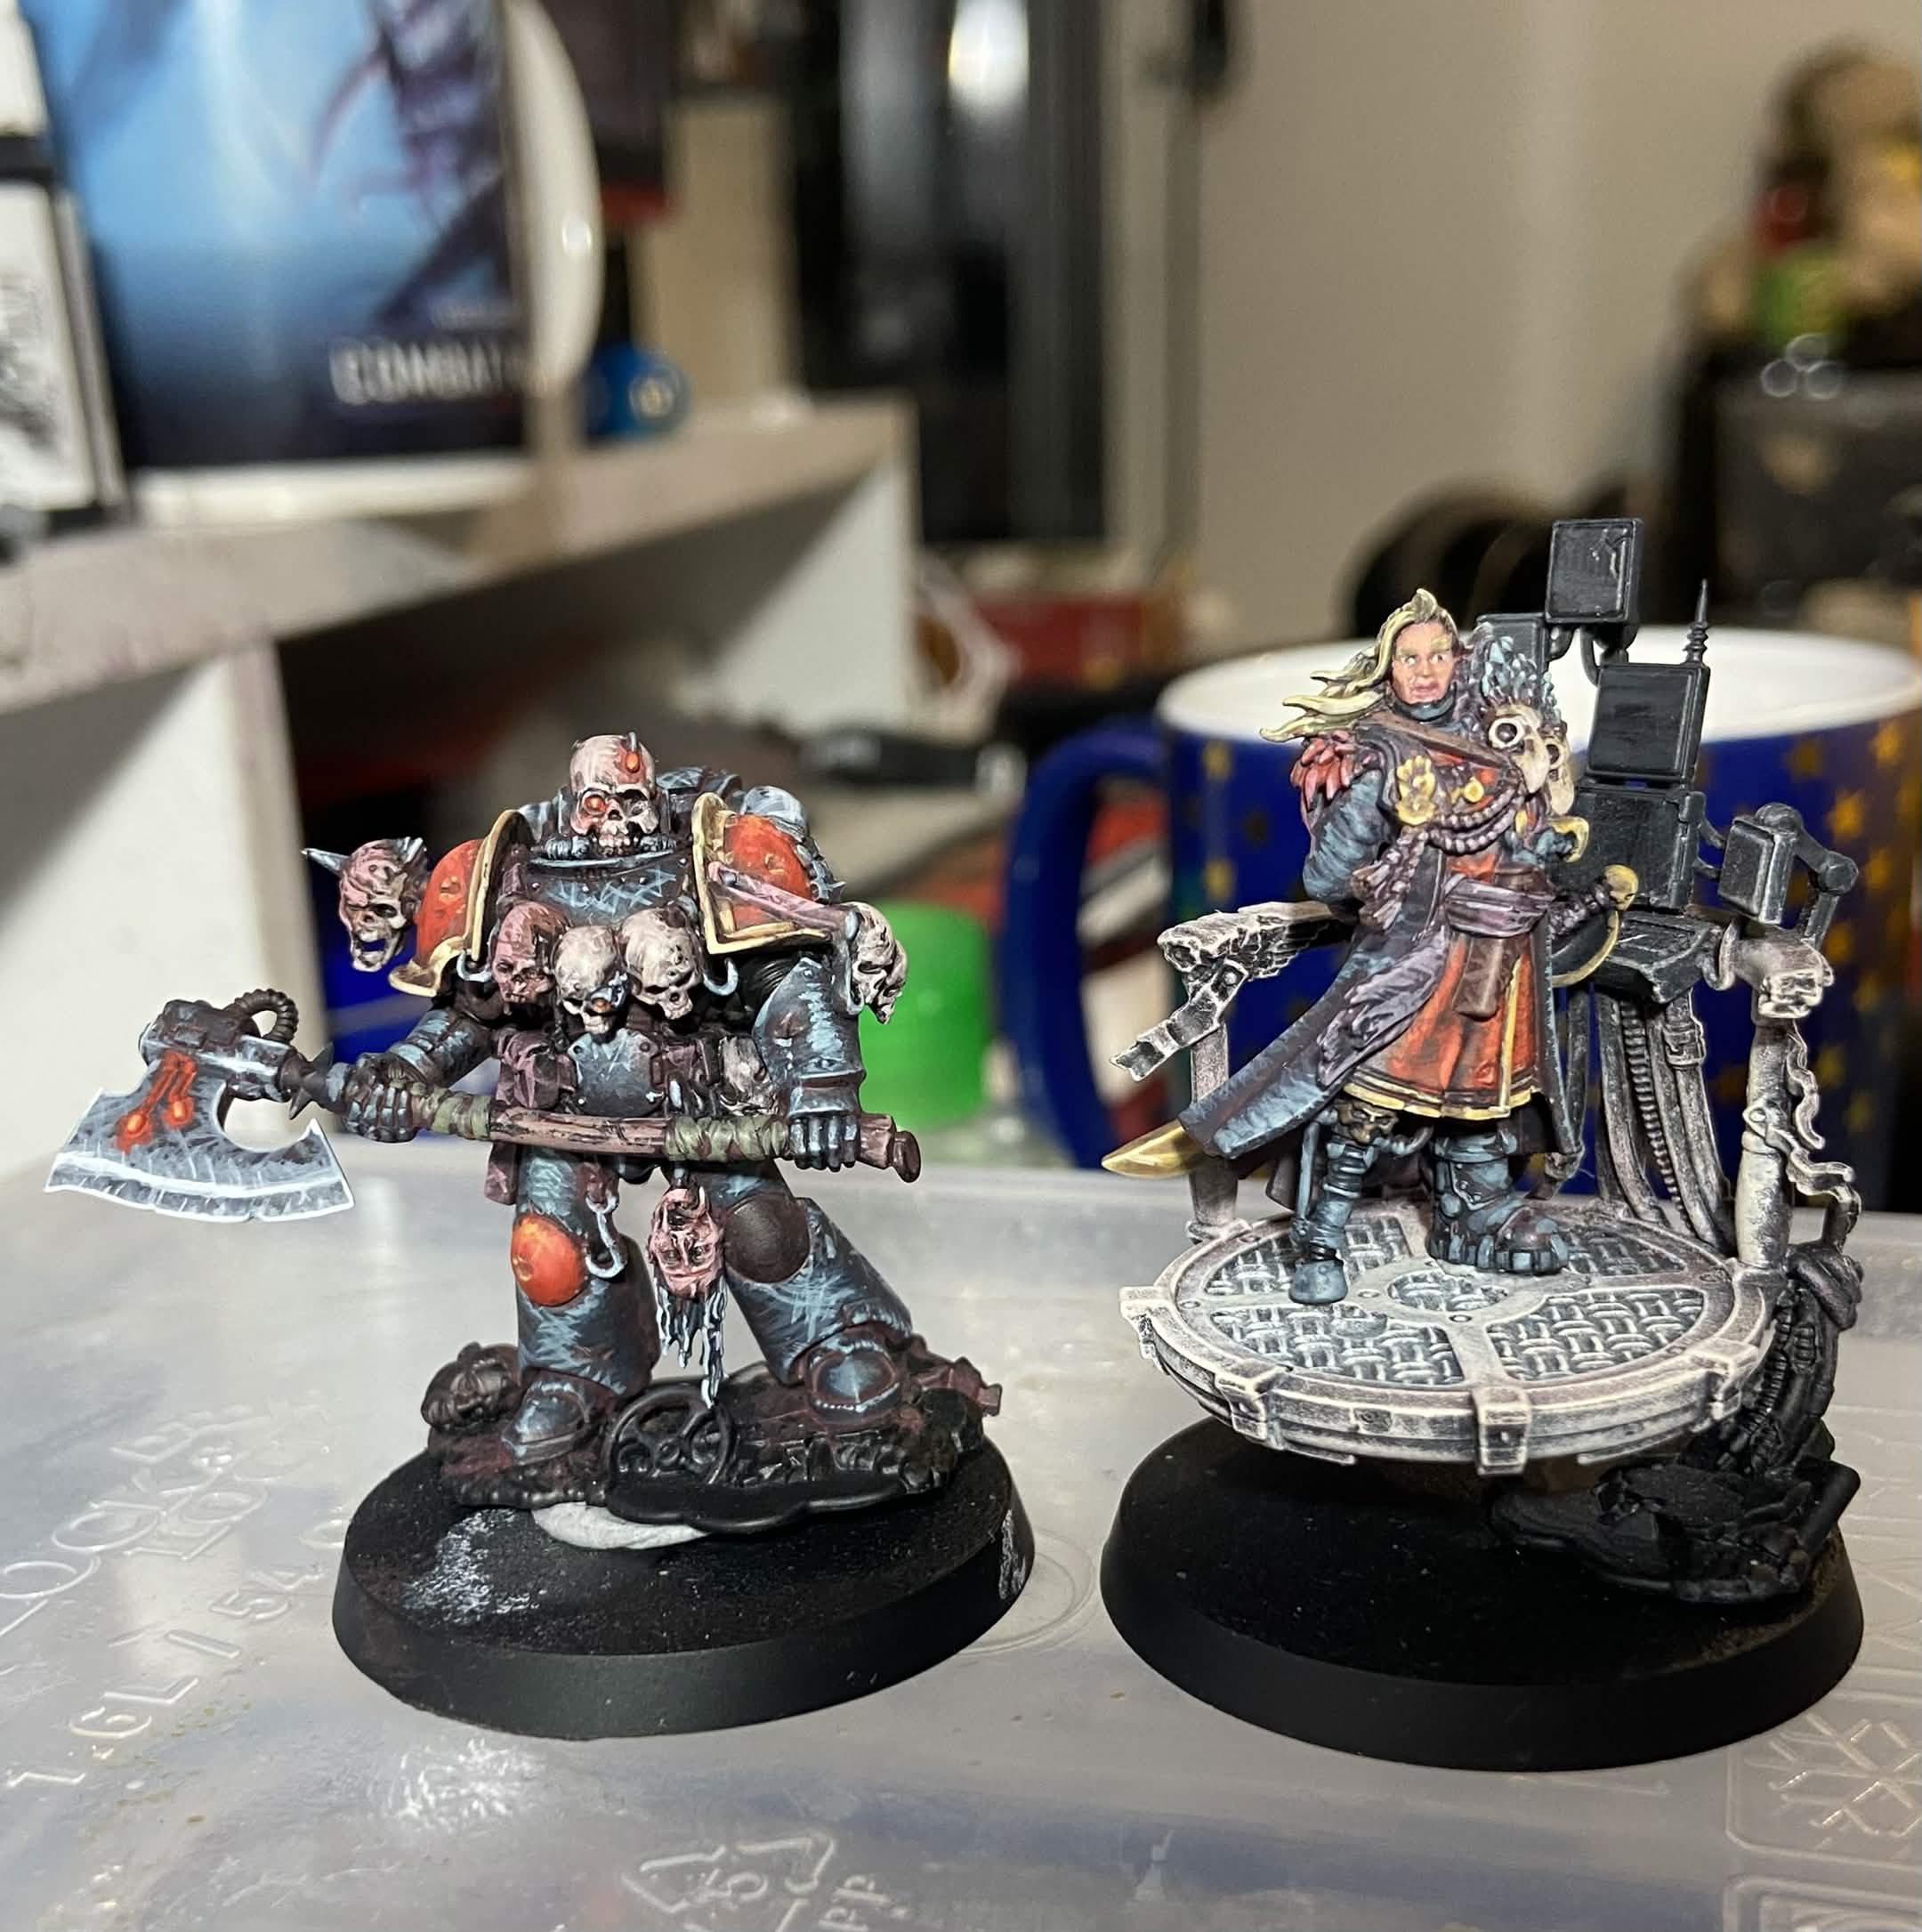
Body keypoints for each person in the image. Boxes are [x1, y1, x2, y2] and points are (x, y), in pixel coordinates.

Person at [1110, 593, 1619, 1305]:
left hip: (1500, 965)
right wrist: (1395, 828)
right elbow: (1326, 876)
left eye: (1438, 655)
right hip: (1415, 966)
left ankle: (1472, 1212)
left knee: (1480, 1104)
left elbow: (1531, 841)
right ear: (1389, 666)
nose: (1426, 670)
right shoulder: (1382, 752)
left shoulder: (1503, 739)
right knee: (1365, 1108)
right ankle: (1320, 1236)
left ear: (1459, 663)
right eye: (1410, 657)